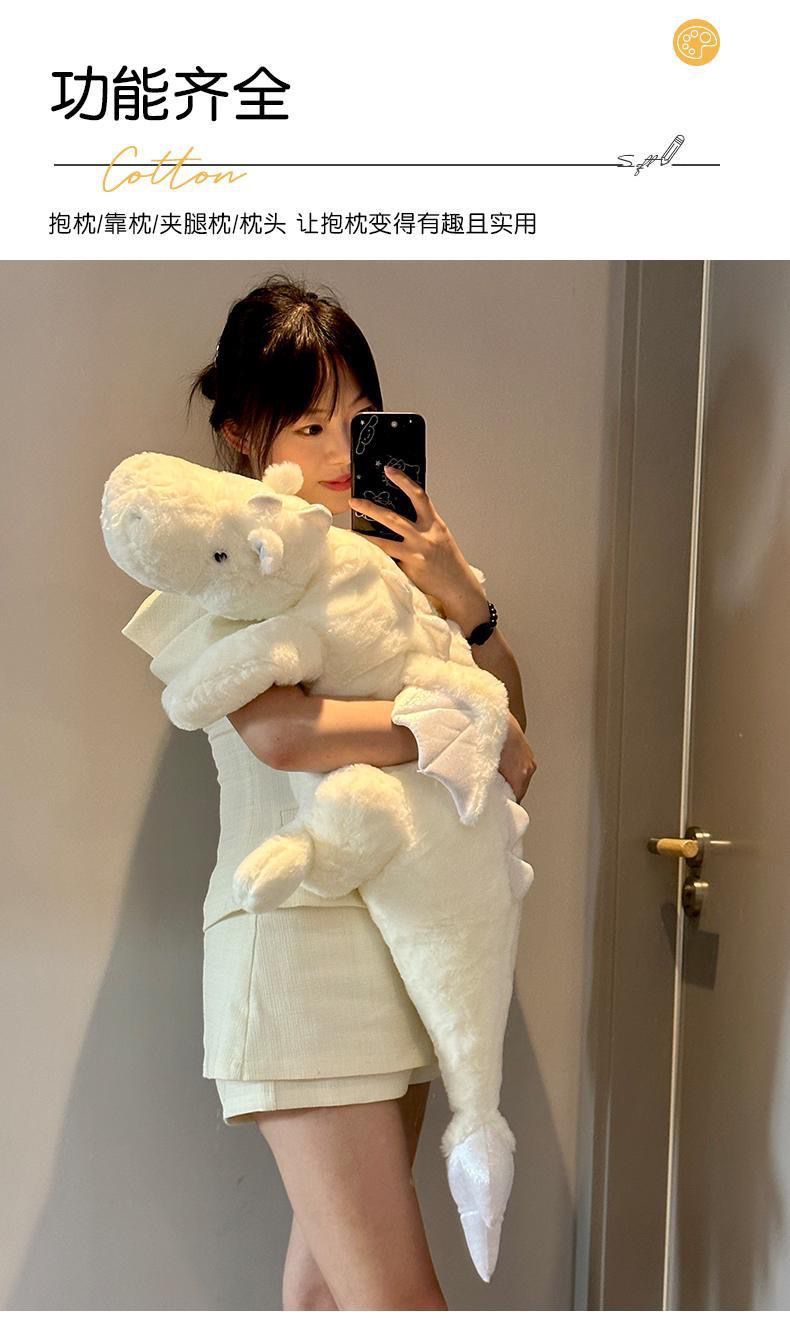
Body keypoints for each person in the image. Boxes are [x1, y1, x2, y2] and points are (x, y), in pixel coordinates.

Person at [127, 274, 537, 1309]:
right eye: (308, 423)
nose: (335, 448)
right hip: (297, 949)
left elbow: (513, 726)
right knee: (397, 1302)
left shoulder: (396, 564)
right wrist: (446, 728)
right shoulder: (223, 557)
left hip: (402, 948)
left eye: (357, 417)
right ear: (240, 432)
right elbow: (282, 734)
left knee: (321, 1297)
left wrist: (466, 601)